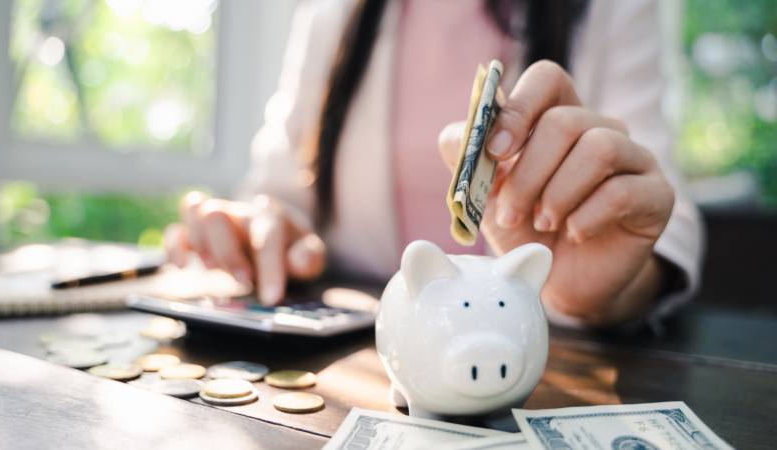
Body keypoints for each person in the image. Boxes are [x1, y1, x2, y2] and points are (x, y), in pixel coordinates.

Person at [166, 0, 704, 328]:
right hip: (363, 351)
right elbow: (279, 193)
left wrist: (605, 294)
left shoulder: (614, 8)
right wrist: (261, 229)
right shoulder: (332, 13)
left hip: (534, 344)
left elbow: (657, 212)